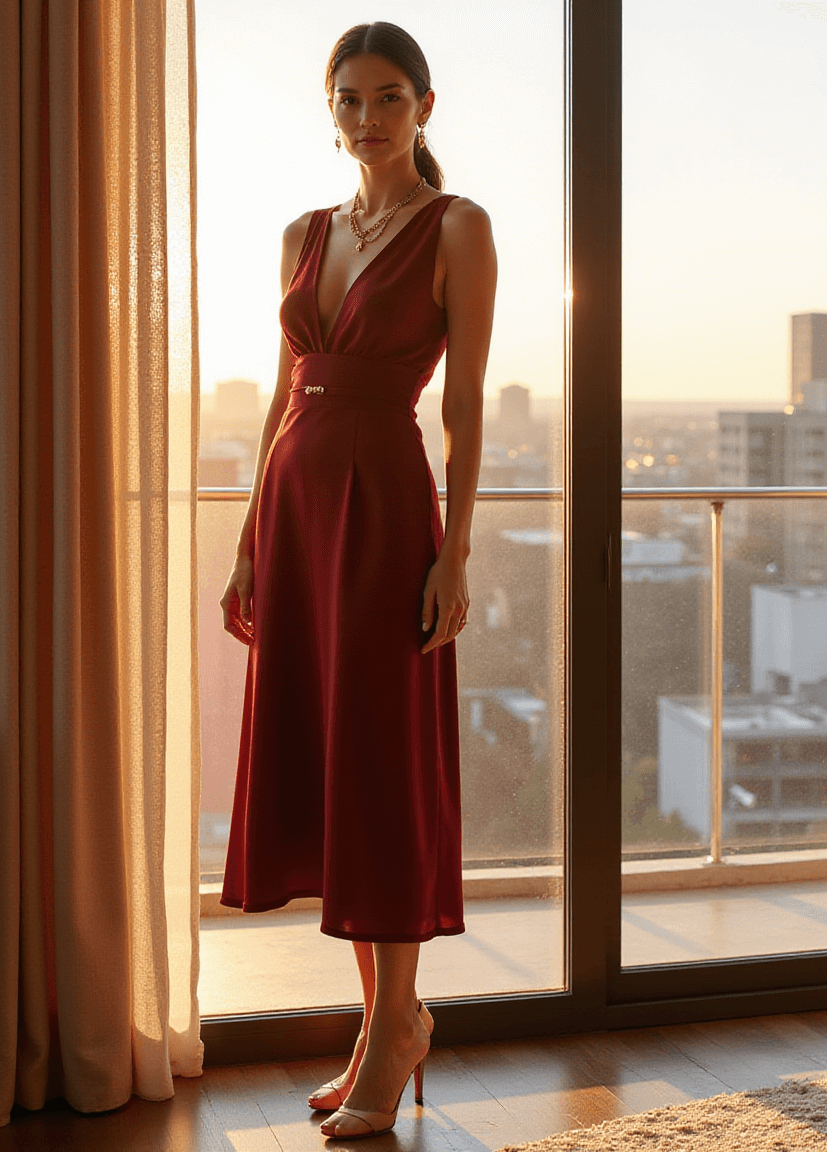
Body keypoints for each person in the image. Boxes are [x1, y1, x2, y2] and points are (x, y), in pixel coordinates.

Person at [216, 20, 496, 1141]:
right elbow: (281, 401)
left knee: (378, 767)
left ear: (425, 107)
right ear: (327, 112)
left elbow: (467, 401)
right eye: (348, 100)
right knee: (332, 764)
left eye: (388, 97)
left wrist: (457, 549)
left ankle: (393, 1031)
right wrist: (245, 539)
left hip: (386, 511)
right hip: (294, 508)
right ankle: (384, 1027)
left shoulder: (458, 226)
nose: (367, 118)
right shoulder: (301, 230)